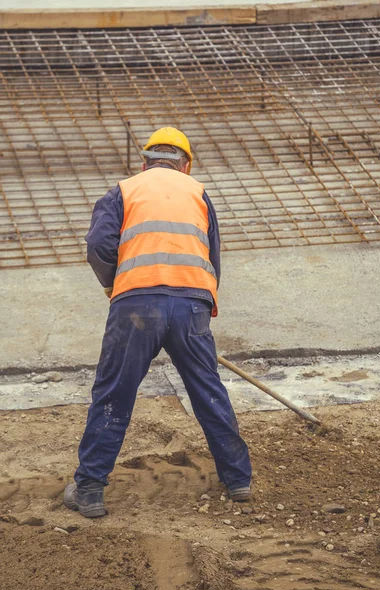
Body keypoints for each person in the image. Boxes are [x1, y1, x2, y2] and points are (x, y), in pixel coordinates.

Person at [64, 127, 252, 518]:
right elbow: (211, 252)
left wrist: (114, 282)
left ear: (145, 161)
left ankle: (90, 490)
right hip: (191, 306)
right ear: (185, 164)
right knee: (208, 391)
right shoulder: (198, 192)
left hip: (136, 304)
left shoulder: (123, 191)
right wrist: (202, 301)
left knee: (114, 393)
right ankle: (238, 480)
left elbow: (98, 245)